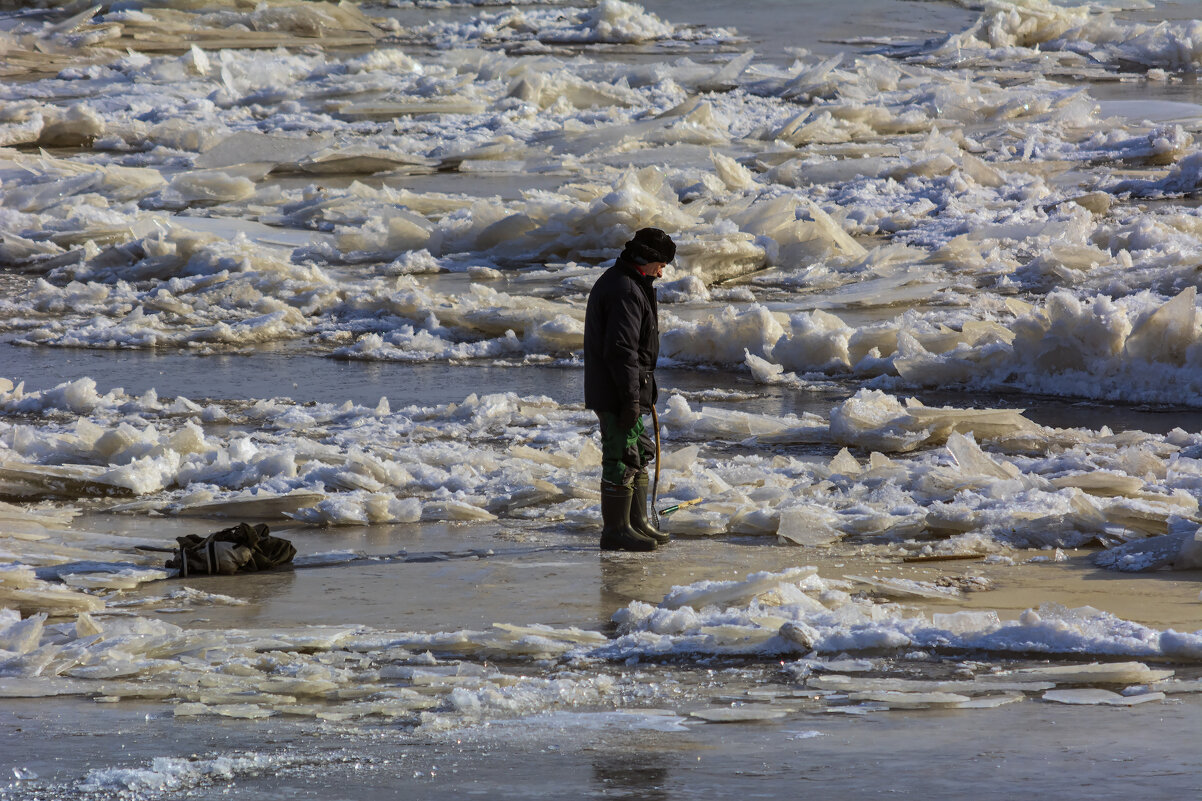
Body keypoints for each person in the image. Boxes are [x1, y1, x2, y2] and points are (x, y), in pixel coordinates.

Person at [584, 227, 676, 551]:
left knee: (638, 454)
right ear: (646, 259)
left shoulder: (635, 284)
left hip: (630, 390)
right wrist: (630, 400)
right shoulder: (624, 289)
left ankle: (637, 523)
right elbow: (621, 351)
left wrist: (640, 395)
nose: (663, 270)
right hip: (616, 392)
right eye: (661, 263)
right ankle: (616, 530)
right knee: (620, 457)